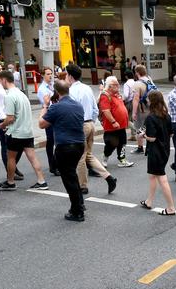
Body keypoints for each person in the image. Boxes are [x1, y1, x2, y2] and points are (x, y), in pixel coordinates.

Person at [38, 80, 86, 221]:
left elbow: (41, 124)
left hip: (65, 146)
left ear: (57, 93)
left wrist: (45, 105)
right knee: (72, 175)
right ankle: (80, 204)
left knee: (68, 178)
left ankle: (77, 211)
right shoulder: (78, 105)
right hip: (79, 144)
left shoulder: (56, 107)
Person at [67, 64, 117, 195]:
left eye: (67, 75)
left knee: (80, 157)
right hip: (89, 123)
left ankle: (83, 185)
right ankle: (108, 177)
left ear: (70, 76)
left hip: (80, 125)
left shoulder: (71, 91)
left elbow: (72, 111)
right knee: (88, 154)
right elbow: (96, 107)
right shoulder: (87, 88)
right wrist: (91, 121)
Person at [0, 70, 48, 191]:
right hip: (27, 131)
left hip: (15, 132)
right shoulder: (22, 94)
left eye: (1, 81)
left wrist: (2, 125)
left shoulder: (9, 96)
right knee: (32, 156)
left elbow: (10, 118)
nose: (1, 84)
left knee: (11, 157)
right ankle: (42, 180)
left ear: (4, 80)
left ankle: (10, 182)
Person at [140, 90, 176, 215]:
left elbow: (152, 138)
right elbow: (171, 133)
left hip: (155, 151)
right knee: (152, 176)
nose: (147, 101)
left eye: (148, 99)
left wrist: (143, 136)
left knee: (162, 179)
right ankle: (149, 201)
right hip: (164, 149)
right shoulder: (166, 115)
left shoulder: (150, 118)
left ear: (152, 101)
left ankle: (171, 208)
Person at [0, 60, 23, 180]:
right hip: (0, 118)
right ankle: (10, 171)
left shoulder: (3, 82)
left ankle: (13, 167)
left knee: (15, 143)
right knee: (5, 144)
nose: (0, 71)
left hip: (9, 116)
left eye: (1, 68)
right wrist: (4, 120)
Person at [99, 76, 133, 168]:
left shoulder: (117, 94)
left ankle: (122, 159)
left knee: (122, 143)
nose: (118, 85)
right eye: (115, 84)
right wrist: (113, 121)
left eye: (118, 83)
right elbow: (106, 111)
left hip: (121, 125)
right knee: (111, 143)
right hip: (111, 126)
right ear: (109, 86)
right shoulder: (105, 96)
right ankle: (105, 157)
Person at [37, 67, 59, 176]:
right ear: (43, 75)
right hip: (49, 115)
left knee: (53, 140)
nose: (50, 76)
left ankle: (54, 164)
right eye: (48, 74)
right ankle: (53, 165)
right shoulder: (42, 88)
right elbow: (47, 102)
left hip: (55, 114)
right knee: (51, 140)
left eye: (51, 73)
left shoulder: (52, 86)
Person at [131, 65, 155, 154]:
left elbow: (136, 99)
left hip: (142, 109)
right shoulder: (149, 80)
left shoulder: (137, 84)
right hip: (151, 108)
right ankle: (150, 147)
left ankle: (140, 147)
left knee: (139, 128)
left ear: (137, 73)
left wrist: (133, 113)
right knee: (149, 127)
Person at [122, 71, 136, 140]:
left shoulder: (126, 84)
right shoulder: (135, 83)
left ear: (127, 76)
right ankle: (133, 136)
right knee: (132, 118)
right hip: (135, 102)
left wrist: (123, 100)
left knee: (125, 119)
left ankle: (135, 129)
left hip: (129, 103)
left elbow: (126, 95)